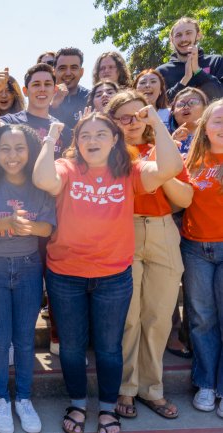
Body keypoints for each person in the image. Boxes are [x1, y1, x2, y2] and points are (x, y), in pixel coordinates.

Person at [32, 110, 182, 433]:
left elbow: (171, 168)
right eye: (85, 135)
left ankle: (106, 409)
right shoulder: (66, 167)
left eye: (101, 134)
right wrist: (51, 137)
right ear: (77, 142)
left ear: (115, 140)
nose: (92, 140)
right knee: (71, 347)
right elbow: (42, 179)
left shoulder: (128, 170)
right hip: (65, 275)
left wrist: (156, 123)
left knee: (109, 347)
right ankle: (77, 403)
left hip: (113, 276)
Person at [106, 90, 192, 421]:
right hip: (122, 230)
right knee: (128, 317)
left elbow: (184, 199)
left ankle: (152, 388)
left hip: (161, 230)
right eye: (123, 117)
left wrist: (161, 167)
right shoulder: (107, 152)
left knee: (157, 316)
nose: (131, 123)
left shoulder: (162, 148)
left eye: (138, 115)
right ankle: (126, 388)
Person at [0, 124, 56, 433]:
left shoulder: (39, 184)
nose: (13, 155)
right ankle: (0, 399)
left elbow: (47, 228)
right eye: (5, 149)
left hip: (28, 267)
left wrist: (25, 227)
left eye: (20, 148)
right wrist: (8, 222)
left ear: (31, 151)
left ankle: (23, 398)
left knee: (24, 339)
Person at [180, 99, 223, 416]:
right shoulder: (190, 160)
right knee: (202, 319)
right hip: (195, 248)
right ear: (206, 126)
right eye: (218, 121)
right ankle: (206, 384)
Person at [0, 65, 67, 158]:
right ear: (25, 91)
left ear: (55, 90)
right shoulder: (11, 121)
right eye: (36, 84)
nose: (42, 89)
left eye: (47, 84)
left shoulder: (62, 129)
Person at [157, 17, 223, 103]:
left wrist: (197, 70)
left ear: (198, 35)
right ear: (172, 40)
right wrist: (185, 80)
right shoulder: (161, 72)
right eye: (178, 35)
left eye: (188, 33)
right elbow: (161, 104)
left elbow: (220, 95)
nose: (183, 39)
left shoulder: (216, 61)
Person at [50, 47, 90, 131]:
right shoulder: (43, 96)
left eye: (74, 68)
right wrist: (53, 106)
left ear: (81, 72)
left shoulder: (91, 97)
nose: (68, 73)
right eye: (62, 68)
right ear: (54, 72)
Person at [169, 87, 209, 154]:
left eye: (192, 102)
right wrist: (170, 146)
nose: (186, 107)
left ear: (205, 108)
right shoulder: (163, 140)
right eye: (180, 105)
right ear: (173, 112)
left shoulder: (216, 137)